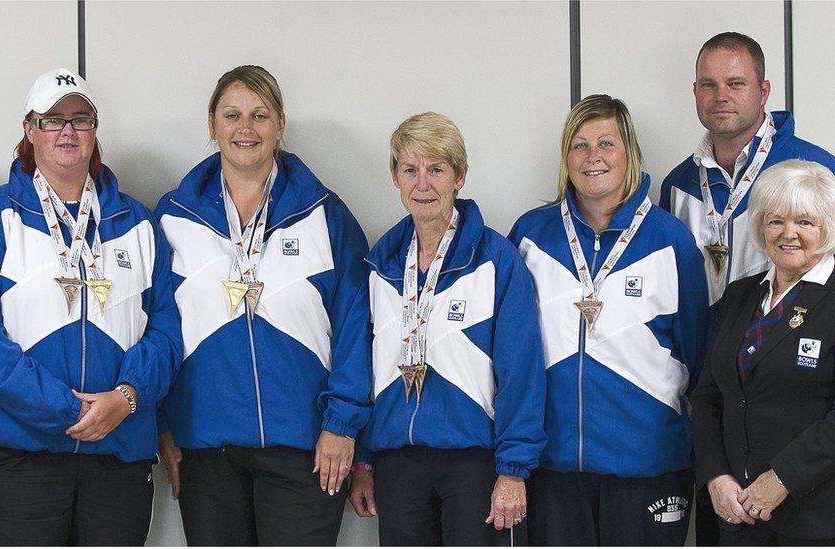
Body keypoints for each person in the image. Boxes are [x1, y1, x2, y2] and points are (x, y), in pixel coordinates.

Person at [0, 68, 182, 546]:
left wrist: (127, 398)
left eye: (81, 119)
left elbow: (168, 329)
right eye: (53, 120)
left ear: (96, 131)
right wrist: (61, 409)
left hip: (118, 451)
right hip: (19, 454)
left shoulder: (136, 221)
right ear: (30, 131)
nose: (68, 131)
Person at [154, 65, 371, 546]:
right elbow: (155, 329)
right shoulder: (172, 217)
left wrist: (341, 424)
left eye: (260, 115)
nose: (245, 128)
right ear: (212, 125)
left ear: (280, 125)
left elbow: (357, 324)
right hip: (205, 449)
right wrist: (163, 425)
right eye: (232, 115)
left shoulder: (325, 214)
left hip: (307, 448)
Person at [659, 31, 835, 545]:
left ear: (764, 90)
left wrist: (782, 479)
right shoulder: (677, 185)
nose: (721, 96)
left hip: (805, 479)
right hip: (716, 396)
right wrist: (714, 472)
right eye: (708, 85)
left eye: (736, 83)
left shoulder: (817, 168)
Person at [509, 94, 709, 545]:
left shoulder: (671, 241)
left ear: (629, 153)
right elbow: (509, 354)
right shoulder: (529, 236)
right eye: (579, 145)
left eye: (606, 143)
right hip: (551, 467)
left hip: (649, 465)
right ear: (566, 157)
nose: (593, 156)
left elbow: (698, 353)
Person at [348, 112, 546, 546]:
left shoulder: (496, 260)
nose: (423, 183)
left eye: (436, 169)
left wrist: (513, 470)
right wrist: (363, 461)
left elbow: (522, 373)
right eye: (410, 170)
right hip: (398, 465)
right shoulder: (380, 265)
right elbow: (365, 368)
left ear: (459, 175)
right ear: (395, 177)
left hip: (475, 464)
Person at [692, 159, 835, 546]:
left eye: (805, 222)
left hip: (816, 520)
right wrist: (715, 476)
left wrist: (783, 477)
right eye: (776, 221)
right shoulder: (741, 294)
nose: (789, 233)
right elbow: (708, 397)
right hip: (737, 515)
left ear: (827, 228)